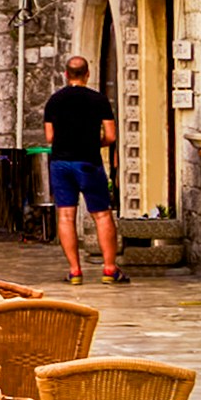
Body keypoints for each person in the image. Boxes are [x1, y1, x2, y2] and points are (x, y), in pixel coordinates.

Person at [42, 56, 120, 283]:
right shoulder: (99, 100)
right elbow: (111, 135)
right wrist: (97, 143)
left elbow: (50, 137)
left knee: (66, 215)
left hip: (61, 163)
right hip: (88, 162)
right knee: (102, 214)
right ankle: (109, 269)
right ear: (88, 74)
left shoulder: (54, 101)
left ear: (66, 74)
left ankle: (75, 271)